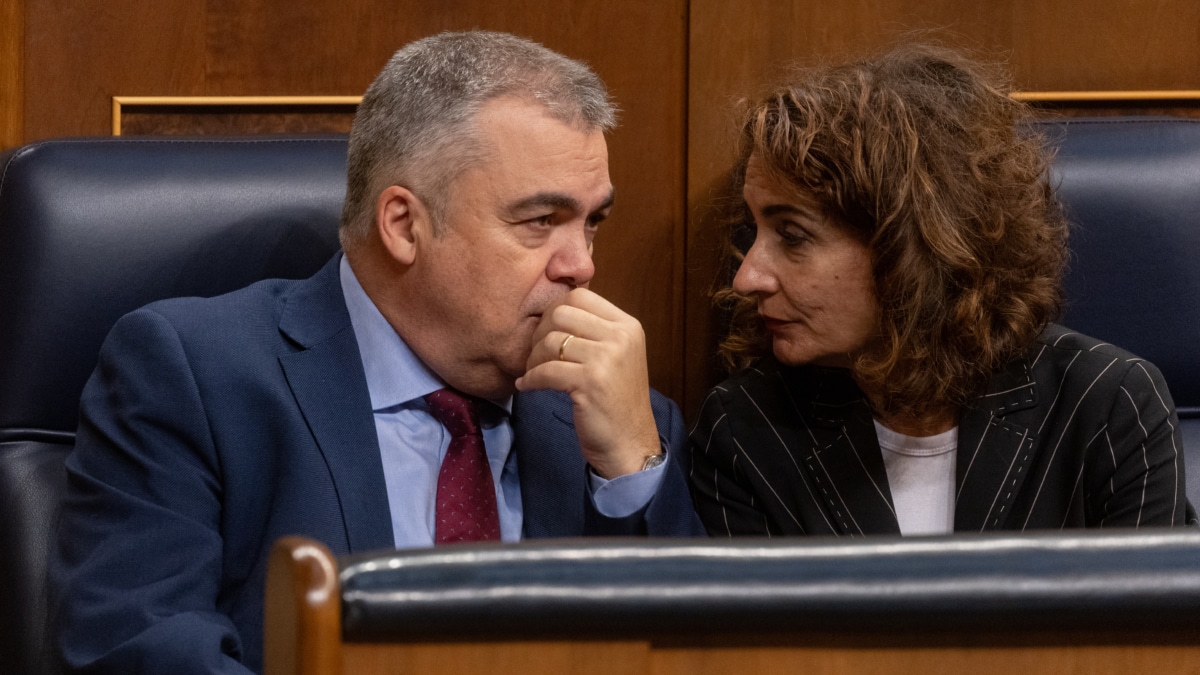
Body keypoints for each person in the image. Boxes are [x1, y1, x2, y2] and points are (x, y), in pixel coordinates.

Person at [52, 31, 703, 674]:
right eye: (539, 222)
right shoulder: (196, 375)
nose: (581, 265)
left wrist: (632, 470)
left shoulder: (620, 423)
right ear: (404, 224)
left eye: (593, 222)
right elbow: (141, 649)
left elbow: (708, 656)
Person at [689, 44, 1196, 538]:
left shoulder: (1107, 406)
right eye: (753, 230)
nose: (747, 277)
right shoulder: (746, 430)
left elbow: (1151, 623)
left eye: (793, 237)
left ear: (915, 245)